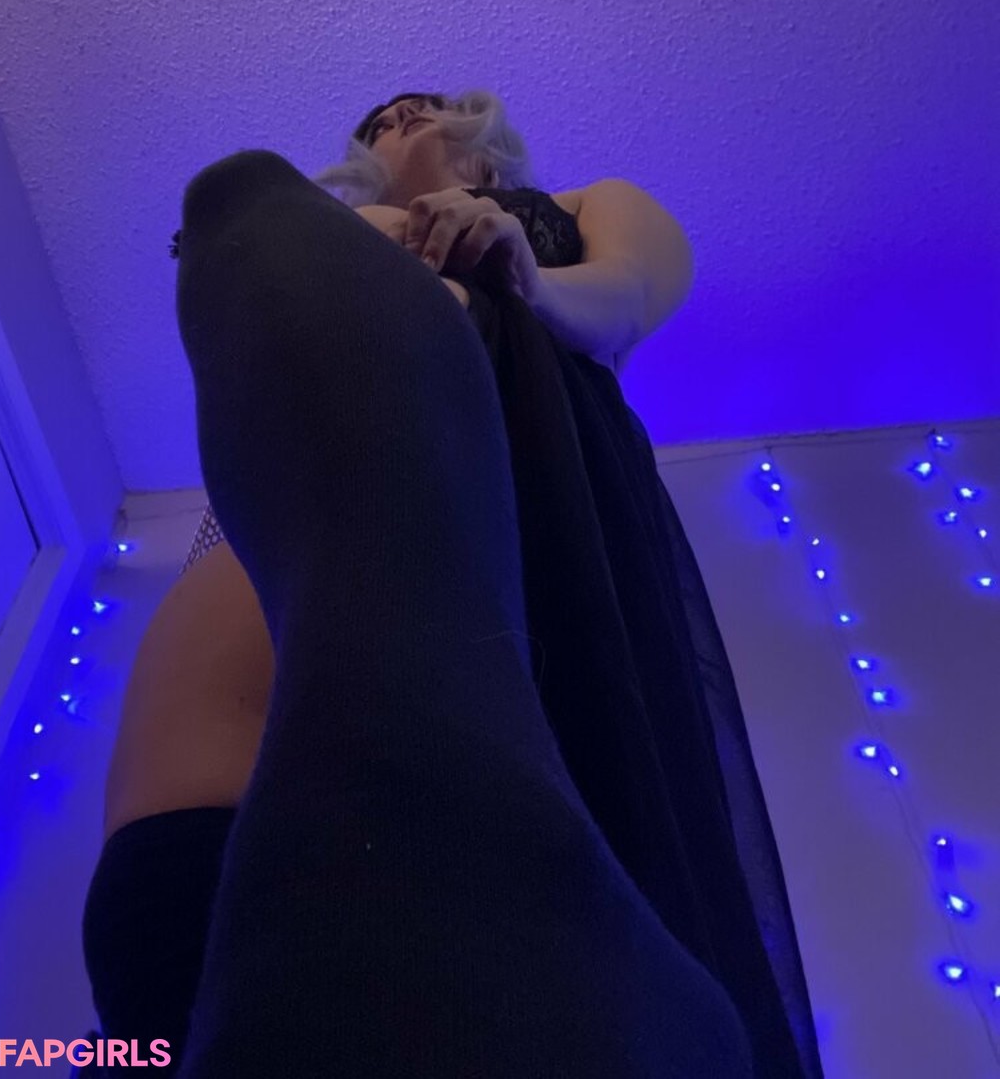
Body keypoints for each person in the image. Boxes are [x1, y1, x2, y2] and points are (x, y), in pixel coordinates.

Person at [80, 89, 825, 1077]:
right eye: (379, 118)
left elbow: (629, 294)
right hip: (254, 579)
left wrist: (524, 275)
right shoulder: (334, 230)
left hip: (502, 543)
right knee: (163, 963)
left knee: (497, 958)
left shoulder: (582, 204)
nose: (400, 116)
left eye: (426, 104)